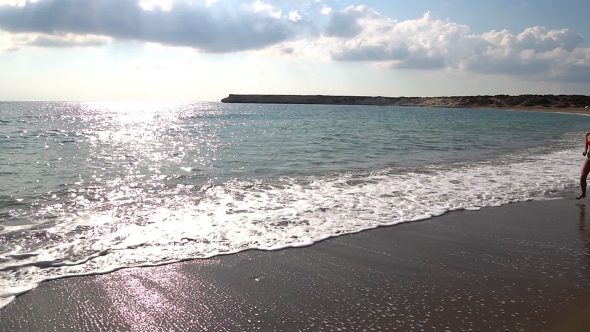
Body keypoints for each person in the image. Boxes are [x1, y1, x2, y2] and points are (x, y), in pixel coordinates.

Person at [577, 132, 590, 199]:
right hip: (589, 159)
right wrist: (585, 151)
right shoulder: (588, 134)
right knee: (582, 177)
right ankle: (583, 193)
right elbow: (586, 144)